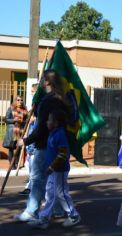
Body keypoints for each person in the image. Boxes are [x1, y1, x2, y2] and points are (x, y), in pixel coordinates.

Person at [14, 69, 71, 222]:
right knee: (53, 181)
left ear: (46, 82)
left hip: (45, 145)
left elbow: (42, 128)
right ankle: (58, 210)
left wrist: (25, 140)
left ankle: (32, 210)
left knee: (38, 179)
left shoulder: (48, 101)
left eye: (42, 80)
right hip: (56, 145)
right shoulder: (63, 99)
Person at [28, 110, 81, 229]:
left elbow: (63, 154)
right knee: (50, 193)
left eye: (49, 120)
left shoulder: (60, 135)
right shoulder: (52, 133)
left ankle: (74, 215)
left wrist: (52, 167)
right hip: (52, 170)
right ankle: (44, 218)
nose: (47, 122)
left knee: (61, 193)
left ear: (56, 123)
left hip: (60, 170)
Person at [19, 83, 38, 195]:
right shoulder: (33, 106)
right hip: (30, 140)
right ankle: (31, 186)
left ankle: (31, 187)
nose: (31, 93)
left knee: (34, 167)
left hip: (35, 142)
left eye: (32, 91)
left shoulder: (39, 105)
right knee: (28, 165)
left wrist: (34, 119)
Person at [3, 96, 28, 169]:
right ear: (15, 101)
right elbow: (6, 119)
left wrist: (22, 121)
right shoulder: (11, 109)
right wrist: (14, 120)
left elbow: (26, 121)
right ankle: (12, 164)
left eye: (21, 100)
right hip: (12, 132)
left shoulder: (24, 110)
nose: (20, 101)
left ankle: (16, 163)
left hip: (20, 131)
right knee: (11, 148)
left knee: (19, 148)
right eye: (18, 100)